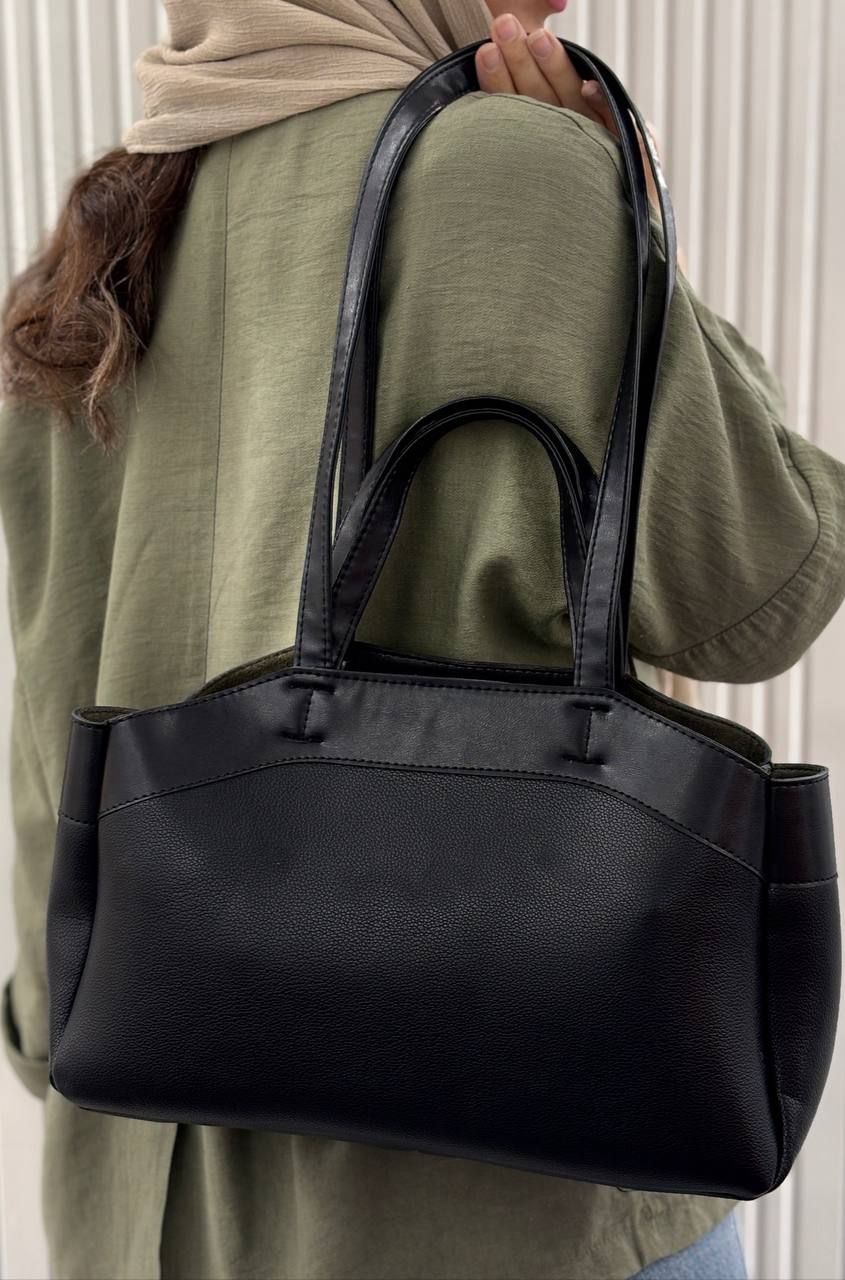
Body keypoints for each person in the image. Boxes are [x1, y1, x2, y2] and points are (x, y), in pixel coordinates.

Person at [1, 1, 843, 1277]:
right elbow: (761, 584)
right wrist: (627, 212)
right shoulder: (507, 165)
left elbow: (47, 734)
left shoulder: (107, 231)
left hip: (142, 1203)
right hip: (505, 1207)